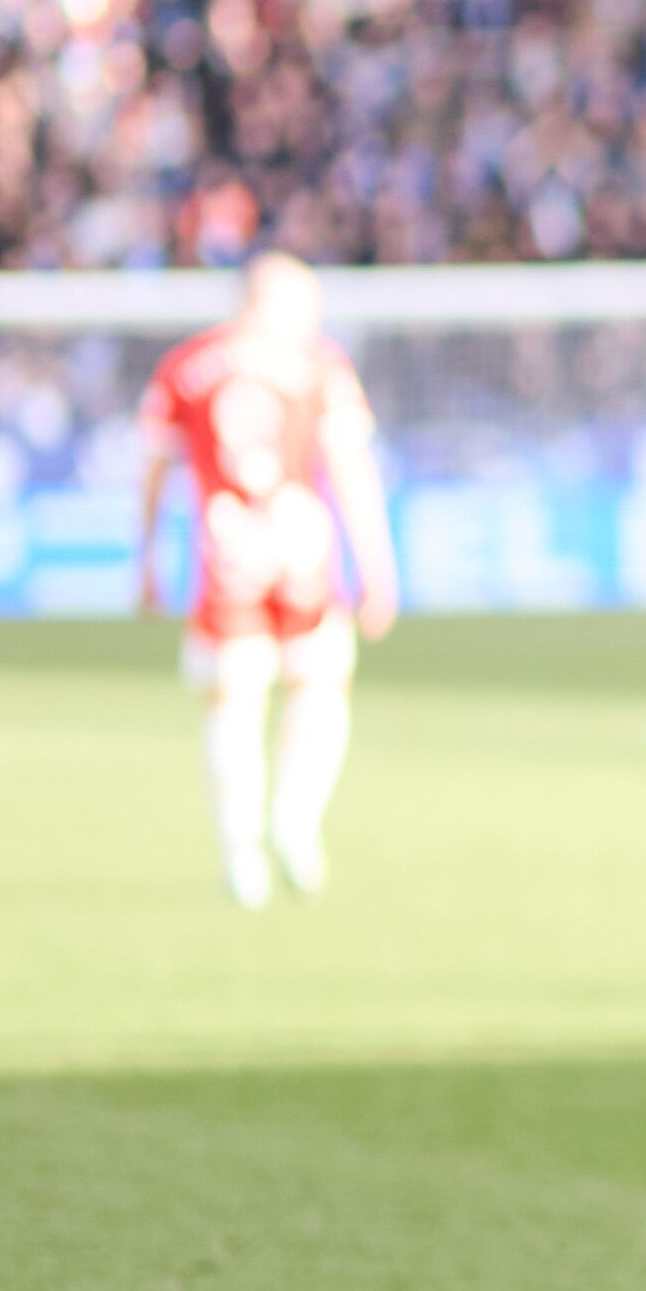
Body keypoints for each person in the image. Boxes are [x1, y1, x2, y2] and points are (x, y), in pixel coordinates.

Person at [134, 253, 397, 909]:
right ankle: (294, 822)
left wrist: (143, 556)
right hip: (301, 547)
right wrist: (378, 564)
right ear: (269, 301)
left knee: (234, 703)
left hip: (227, 552)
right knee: (319, 685)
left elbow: (155, 470)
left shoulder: (186, 366)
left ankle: (242, 850)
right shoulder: (321, 364)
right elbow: (351, 467)